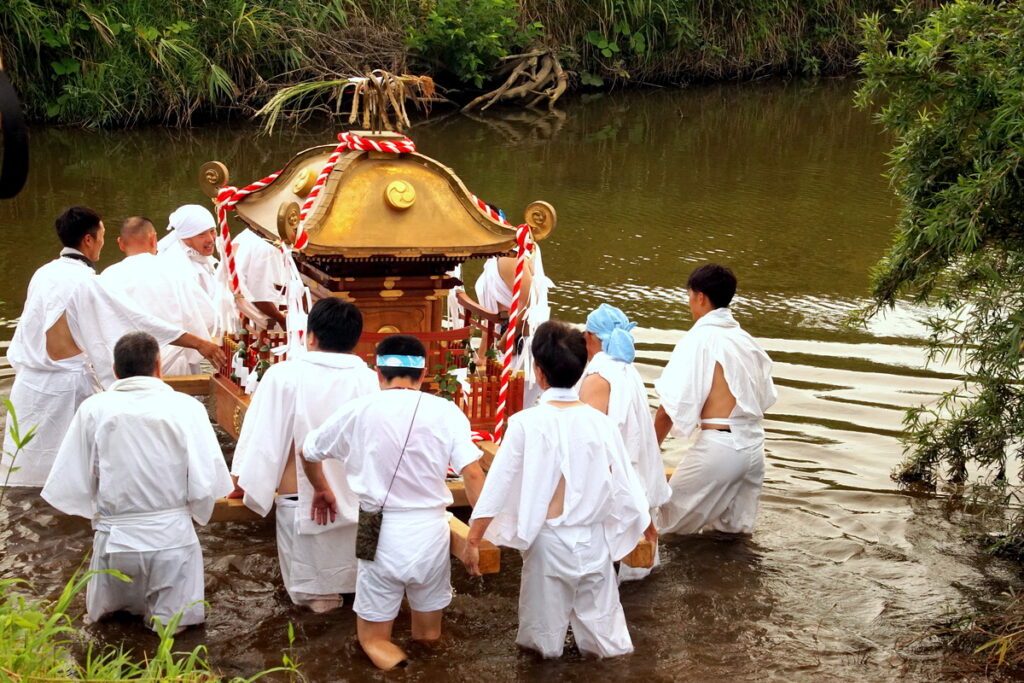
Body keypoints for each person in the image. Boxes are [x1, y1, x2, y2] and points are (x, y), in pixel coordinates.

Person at [462, 320, 654, 659]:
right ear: (582, 367)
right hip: (593, 541)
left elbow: (499, 483)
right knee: (608, 639)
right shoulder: (601, 424)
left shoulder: (526, 423)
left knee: (542, 642)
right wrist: (645, 527)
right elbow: (627, 483)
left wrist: (474, 538)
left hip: (549, 543)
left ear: (538, 371)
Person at [2, 206, 224, 487]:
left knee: (24, 472)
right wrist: (197, 342)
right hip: (64, 389)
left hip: (29, 386)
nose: (103, 243)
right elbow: (135, 320)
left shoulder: (44, 272)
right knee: (75, 476)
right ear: (89, 240)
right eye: (102, 236)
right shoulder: (85, 281)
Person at [301, 334, 485, 671]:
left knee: (373, 640)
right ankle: (429, 672)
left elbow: (309, 450)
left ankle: (401, 669)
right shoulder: (446, 411)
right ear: (424, 372)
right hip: (431, 531)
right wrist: (474, 539)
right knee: (429, 637)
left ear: (378, 372)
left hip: (379, 531)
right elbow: (473, 474)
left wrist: (320, 487)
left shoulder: (358, 409)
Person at [41, 332, 233, 631]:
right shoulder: (187, 408)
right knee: (175, 635)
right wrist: (188, 513)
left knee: (109, 630)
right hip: (172, 541)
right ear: (159, 366)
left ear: (116, 370)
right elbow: (209, 482)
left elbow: (73, 482)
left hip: (115, 542)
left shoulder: (94, 408)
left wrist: (101, 511)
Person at [232, 299, 378, 612]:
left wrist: (243, 480)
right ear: (355, 339)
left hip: (303, 499)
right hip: (358, 500)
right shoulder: (368, 378)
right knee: (362, 591)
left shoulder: (284, 374)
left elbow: (263, 438)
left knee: (317, 601)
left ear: (310, 336)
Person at [653, 264, 777, 536]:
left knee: (662, 527)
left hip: (721, 449)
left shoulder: (699, 339)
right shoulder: (745, 339)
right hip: (754, 450)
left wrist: (647, 454)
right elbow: (767, 396)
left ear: (699, 297)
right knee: (731, 537)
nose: (690, 305)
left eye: (689, 297)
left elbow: (670, 407)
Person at [580, 304, 672, 582]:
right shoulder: (627, 370)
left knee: (606, 573)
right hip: (637, 478)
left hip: (617, 484)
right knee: (641, 575)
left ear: (588, 338)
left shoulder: (599, 377)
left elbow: (589, 441)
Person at [101, 216, 215, 375]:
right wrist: (197, 347)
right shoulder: (172, 270)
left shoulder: (108, 276)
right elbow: (207, 317)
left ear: (120, 243)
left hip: (123, 367)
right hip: (170, 365)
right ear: (154, 239)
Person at [232, 228, 289, 331]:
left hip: (242, 314)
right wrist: (282, 321)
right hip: (257, 320)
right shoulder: (268, 246)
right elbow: (261, 298)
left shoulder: (248, 232)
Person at [158, 204, 219, 300]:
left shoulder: (197, 253)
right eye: (201, 234)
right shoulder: (180, 268)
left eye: (212, 231)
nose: (211, 239)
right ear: (186, 238)